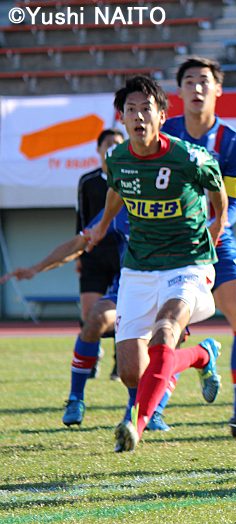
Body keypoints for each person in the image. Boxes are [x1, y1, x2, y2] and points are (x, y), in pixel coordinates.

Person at [87, 75, 228, 452]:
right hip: (139, 268)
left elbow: (217, 186)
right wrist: (101, 225)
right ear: (121, 118)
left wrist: (219, 223)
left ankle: (136, 424)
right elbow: (116, 190)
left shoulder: (187, 156)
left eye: (146, 109)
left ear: (162, 116)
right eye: (130, 110)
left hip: (188, 262)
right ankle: (202, 354)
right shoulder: (116, 159)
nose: (138, 116)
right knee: (132, 372)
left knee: (166, 329)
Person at [159, 56, 236, 438]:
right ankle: (152, 406)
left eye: (204, 81)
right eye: (189, 81)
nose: (197, 87)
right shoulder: (164, 135)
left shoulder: (234, 143)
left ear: (218, 90)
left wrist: (216, 226)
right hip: (168, 245)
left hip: (216, 242)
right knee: (166, 328)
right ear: (178, 91)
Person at [0, 209, 127, 427]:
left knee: (163, 338)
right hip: (129, 287)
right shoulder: (121, 208)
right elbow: (78, 243)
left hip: (172, 287)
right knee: (94, 319)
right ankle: (76, 398)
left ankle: (151, 410)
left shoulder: (181, 202)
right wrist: (35, 268)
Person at [76, 128, 125, 379]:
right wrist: (79, 254)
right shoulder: (88, 181)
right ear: (98, 149)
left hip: (121, 254)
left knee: (121, 312)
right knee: (89, 312)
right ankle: (92, 356)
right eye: (108, 144)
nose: (112, 148)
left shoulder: (129, 178)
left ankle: (120, 361)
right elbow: (82, 218)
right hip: (93, 254)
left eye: (118, 143)